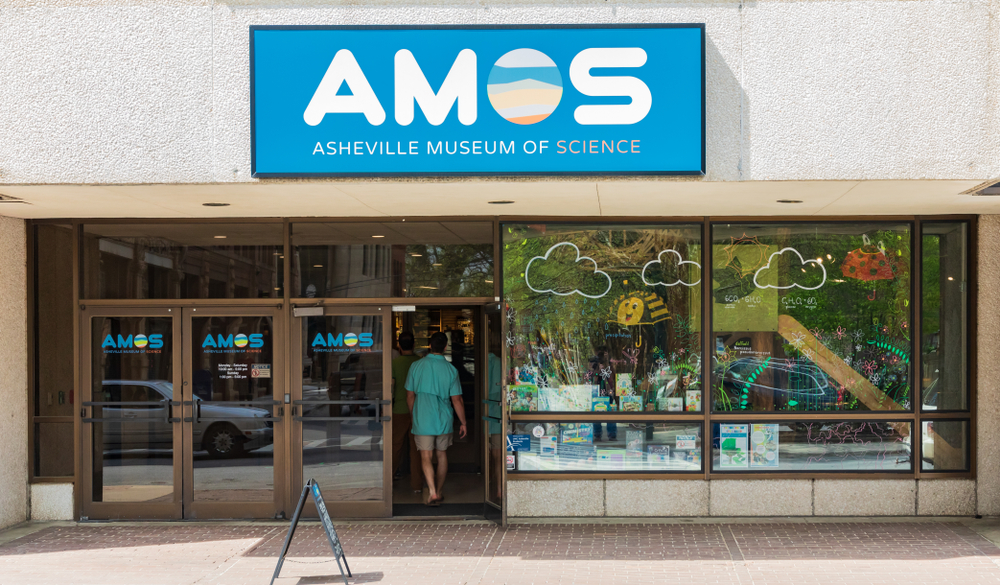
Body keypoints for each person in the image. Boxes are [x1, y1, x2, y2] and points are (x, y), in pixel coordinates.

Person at [406, 332, 467, 505]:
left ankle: (431, 491)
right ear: (446, 347)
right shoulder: (451, 370)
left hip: (422, 418)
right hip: (443, 419)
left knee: (425, 456)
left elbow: (410, 396)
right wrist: (463, 422)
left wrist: (413, 415)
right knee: (441, 455)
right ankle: (439, 491)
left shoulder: (416, 366)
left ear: (430, 346)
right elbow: (457, 400)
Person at [390, 331, 421, 489]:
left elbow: (392, 386)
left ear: (399, 346)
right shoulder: (420, 362)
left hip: (400, 409)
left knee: (396, 445)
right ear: (414, 345)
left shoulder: (395, 363)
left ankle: (389, 478)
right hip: (418, 410)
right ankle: (417, 484)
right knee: (416, 448)